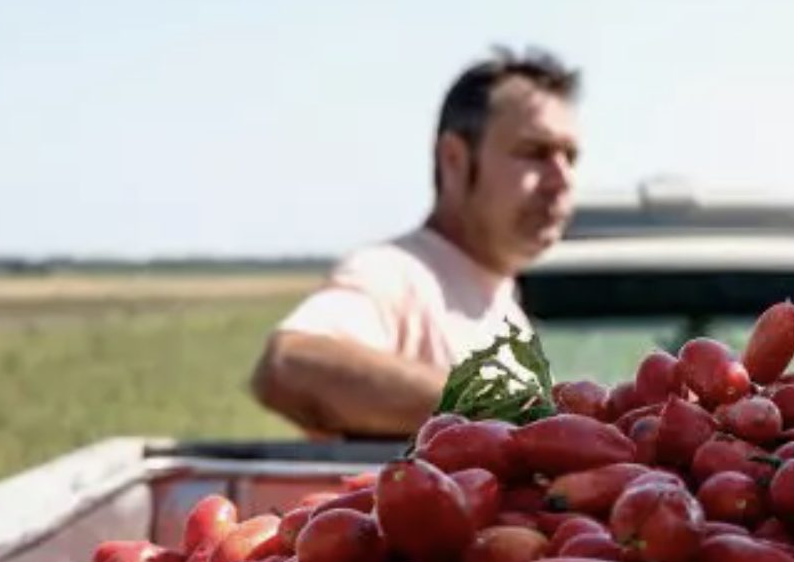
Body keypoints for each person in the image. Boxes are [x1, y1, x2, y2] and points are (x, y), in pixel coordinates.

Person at [249, 47, 583, 438]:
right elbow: (289, 366)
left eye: (570, 157)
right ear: (454, 160)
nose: (561, 181)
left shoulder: (503, 306)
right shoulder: (395, 274)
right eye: (534, 153)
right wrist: (504, 412)